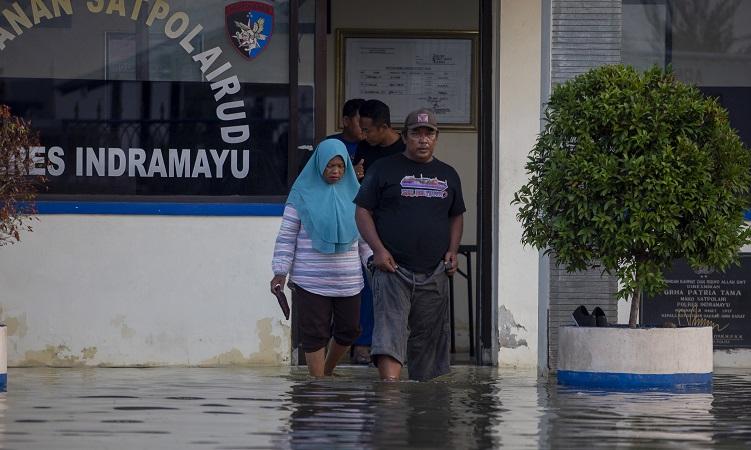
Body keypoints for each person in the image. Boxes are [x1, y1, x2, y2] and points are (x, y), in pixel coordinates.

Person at [354, 108, 465, 381]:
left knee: (429, 339)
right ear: (405, 136)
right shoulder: (383, 169)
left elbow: (456, 215)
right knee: (389, 334)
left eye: (430, 133)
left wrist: (453, 250)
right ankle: (390, 400)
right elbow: (362, 210)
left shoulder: (448, 174)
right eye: (417, 133)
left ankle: (422, 406)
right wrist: (378, 250)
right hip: (393, 269)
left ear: (437, 138)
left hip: (434, 271)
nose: (423, 139)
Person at [271, 139, 372, 377]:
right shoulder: (301, 194)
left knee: (350, 330)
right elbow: (286, 237)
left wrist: (373, 264)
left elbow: (365, 238)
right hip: (311, 280)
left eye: (340, 166)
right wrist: (280, 271)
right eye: (330, 166)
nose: (336, 171)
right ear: (318, 165)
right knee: (314, 334)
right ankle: (317, 385)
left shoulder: (357, 195)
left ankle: (326, 371)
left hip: (348, 281)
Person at [298, 98, 365, 174]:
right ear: (346, 121)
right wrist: (349, 174)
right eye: (360, 122)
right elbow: (308, 176)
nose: (364, 127)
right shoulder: (325, 145)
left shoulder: (371, 146)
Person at [352, 99, 405, 181]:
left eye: (367, 131)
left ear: (383, 128)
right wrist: (352, 175)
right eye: (362, 130)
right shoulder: (363, 145)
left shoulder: (406, 148)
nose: (363, 136)